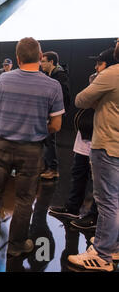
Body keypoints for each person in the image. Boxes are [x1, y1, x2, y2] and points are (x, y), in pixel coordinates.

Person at [0, 37, 64, 257]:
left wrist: (4, 119)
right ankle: (16, 246)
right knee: (25, 199)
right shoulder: (52, 86)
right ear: (39, 56)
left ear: (17, 58)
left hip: (1, 146)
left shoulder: (2, 80)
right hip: (32, 150)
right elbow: (56, 124)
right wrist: (36, 128)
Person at [49, 47, 117, 230]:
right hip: (86, 135)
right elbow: (83, 100)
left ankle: (94, 217)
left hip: (103, 138)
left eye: (99, 63)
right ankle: (72, 207)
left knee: (101, 184)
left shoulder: (109, 78)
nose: (96, 67)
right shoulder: (97, 79)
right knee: (78, 172)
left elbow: (81, 99)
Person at [68, 39, 119, 272]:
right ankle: (111, 245)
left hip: (108, 145)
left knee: (107, 202)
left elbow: (80, 99)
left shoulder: (111, 74)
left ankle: (102, 255)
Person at [40, 51, 71, 179]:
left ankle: (52, 169)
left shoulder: (60, 77)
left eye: (43, 61)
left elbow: (63, 98)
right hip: (50, 113)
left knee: (49, 141)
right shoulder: (52, 75)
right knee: (47, 140)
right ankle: (48, 166)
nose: (41, 64)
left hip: (52, 115)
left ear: (51, 62)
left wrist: (54, 113)